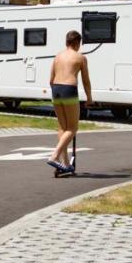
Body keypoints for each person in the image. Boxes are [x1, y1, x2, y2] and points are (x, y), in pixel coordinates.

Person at [48, 30, 92, 173]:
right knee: (73, 128)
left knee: (63, 127)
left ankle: (65, 163)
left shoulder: (57, 56)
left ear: (66, 42)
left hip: (56, 89)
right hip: (69, 89)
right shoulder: (80, 58)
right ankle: (54, 156)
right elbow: (86, 81)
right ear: (77, 43)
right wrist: (89, 98)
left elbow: (50, 79)